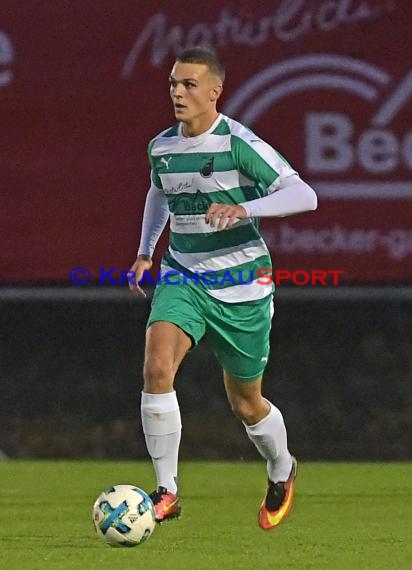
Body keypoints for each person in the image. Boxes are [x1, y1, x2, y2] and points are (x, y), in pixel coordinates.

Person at [128, 45, 317, 530]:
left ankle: (282, 467)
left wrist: (245, 208)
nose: (177, 92)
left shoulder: (238, 143)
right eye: (173, 83)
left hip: (242, 284)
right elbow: (158, 192)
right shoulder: (162, 147)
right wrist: (147, 251)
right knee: (156, 365)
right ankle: (167, 490)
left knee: (245, 403)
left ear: (215, 91)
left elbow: (304, 194)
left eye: (189, 84)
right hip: (183, 274)